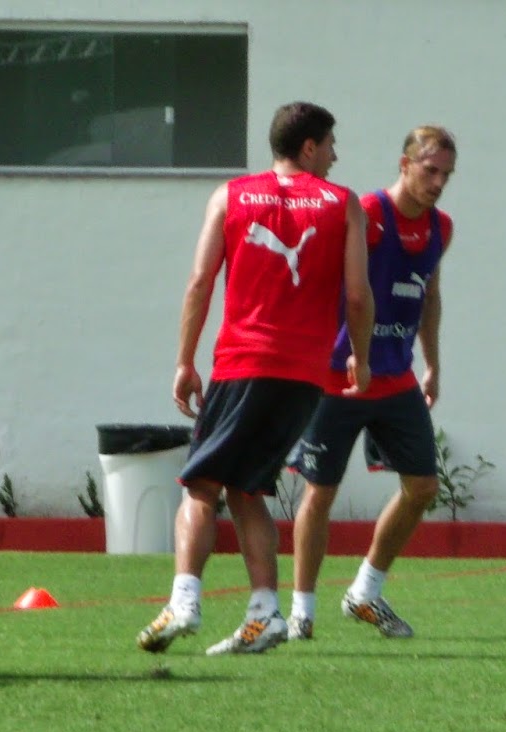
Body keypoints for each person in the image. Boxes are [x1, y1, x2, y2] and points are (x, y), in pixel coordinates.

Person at [136, 101, 374, 656]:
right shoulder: (343, 205)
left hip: (244, 362)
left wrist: (185, 361)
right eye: (331, 145)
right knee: (247, 488)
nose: (335, 156)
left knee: (201, 485)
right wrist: (359, 358)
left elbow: (200, 282)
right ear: (309, 147)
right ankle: (265, 613)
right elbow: (358, 296)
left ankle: (184, 600)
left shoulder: (231, 195)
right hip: (305, 375)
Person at [285, 126, 457, 641]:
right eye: (430, 170)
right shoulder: (365, 214)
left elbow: (429, 295)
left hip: (395, 379)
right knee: (320, 493)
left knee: (422, 487)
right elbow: (325, 283)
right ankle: (301, 612)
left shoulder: (441, 227)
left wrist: (432, 363)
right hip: (337, 378)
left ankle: (364, 591)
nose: (439, 183)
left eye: (447, 174)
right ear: (404, 164)